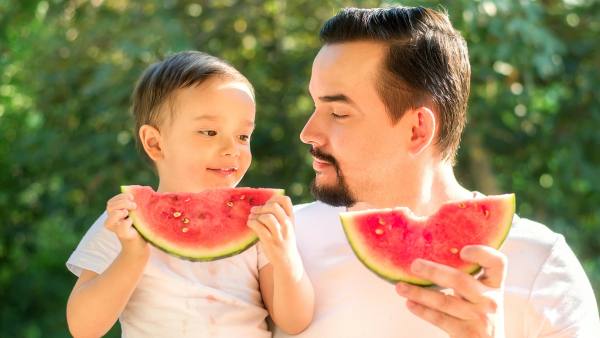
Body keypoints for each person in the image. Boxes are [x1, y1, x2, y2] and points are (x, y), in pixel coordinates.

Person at [274, 6, 600, 338]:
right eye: (315, 105)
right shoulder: (280, 245)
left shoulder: (542, 268)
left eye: (338, 112)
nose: (308, 132)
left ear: (417, 129)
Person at [66, 51, 314, 337]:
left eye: (243, 136)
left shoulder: (256, 224)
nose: (232, 148)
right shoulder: (124, 222)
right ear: (155, 143)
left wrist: (285, 259)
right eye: (209, 132)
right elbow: (83, 327)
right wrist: (132, 256)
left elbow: (294, 321)